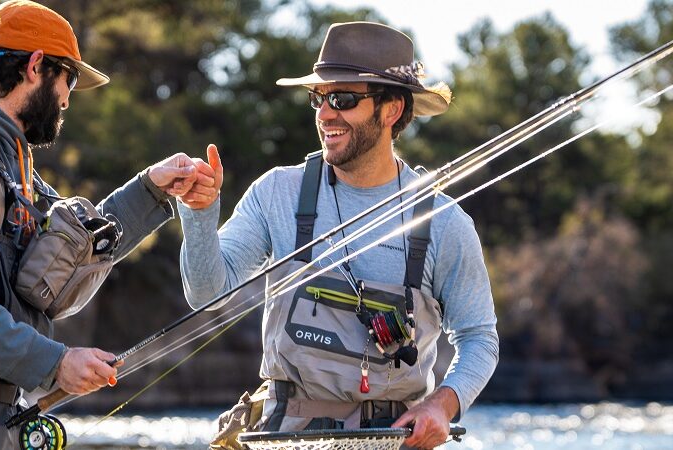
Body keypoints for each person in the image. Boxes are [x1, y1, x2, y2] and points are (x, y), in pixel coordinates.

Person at [0, 1, 200, 448]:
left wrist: (152, 191)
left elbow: (62, 256)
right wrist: (57, 363)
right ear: (36, 66)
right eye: (70, 79)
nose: (67, 99)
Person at [177, 22, 499, 450]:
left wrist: (443, 404)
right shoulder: (276, 192)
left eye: (343, 99)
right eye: (319, 98)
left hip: (393, 439)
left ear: (392, 110)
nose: (325, 113)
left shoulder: (445, 223)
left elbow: (479, 337)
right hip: (281, 436)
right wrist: (200, 214)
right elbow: (206, 293)